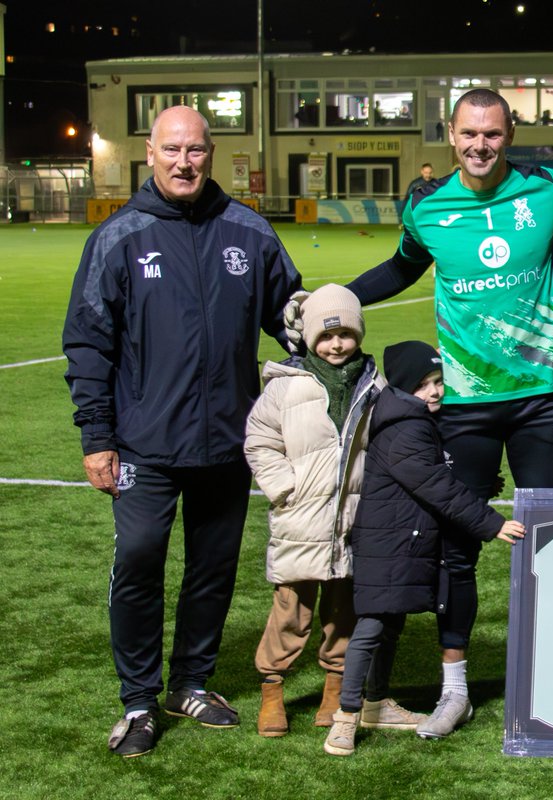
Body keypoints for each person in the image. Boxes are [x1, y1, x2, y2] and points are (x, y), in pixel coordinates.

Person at [323, 88, 553, 736]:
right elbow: (401, 268)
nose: (480, 146)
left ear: (511, 134)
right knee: (455, 552)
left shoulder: (552, 187)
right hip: (465, 405)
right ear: (451, 135)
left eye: (492, 134)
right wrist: (334, 297)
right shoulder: (427, 207)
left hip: (541, 398)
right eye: (470, 134)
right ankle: (455, 691)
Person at [62, 105, 303, 757]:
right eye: (171, 149)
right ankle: (139, 700)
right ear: (149, 153)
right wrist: (97, 437)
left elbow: (292, 320)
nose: (184, 162)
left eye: (195, 150)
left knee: (213, 569)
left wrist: (329, 341)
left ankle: (191, 683)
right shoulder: (119, 238)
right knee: (139, 561)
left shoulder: (249, 231)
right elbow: (88, 343)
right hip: (143, 443)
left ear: (210, 153)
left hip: (228, 442)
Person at [323, 341, 526, 755]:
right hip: (388, 542)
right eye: (423, 385)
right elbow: (435, 485)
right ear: (403, 387)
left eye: (437, 381)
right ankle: (345, 716)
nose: (434, 391)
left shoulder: (409, 416)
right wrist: (492, 523)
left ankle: (376, 704)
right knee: (372, 627)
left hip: (398, 538)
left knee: (389, 625)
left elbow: (432, 474)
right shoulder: (405, 426)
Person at [243, 284, 386, 737]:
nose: (336, 344)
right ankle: (272, 688)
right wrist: (285, 487)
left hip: (353, 520)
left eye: (345, 334)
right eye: (326, 336)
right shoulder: (286, 386)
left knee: (343, 610)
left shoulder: (374, 385)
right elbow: (260, 441)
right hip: (299, 517)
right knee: (290, 609)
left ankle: (334, 687)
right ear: (308, 338)